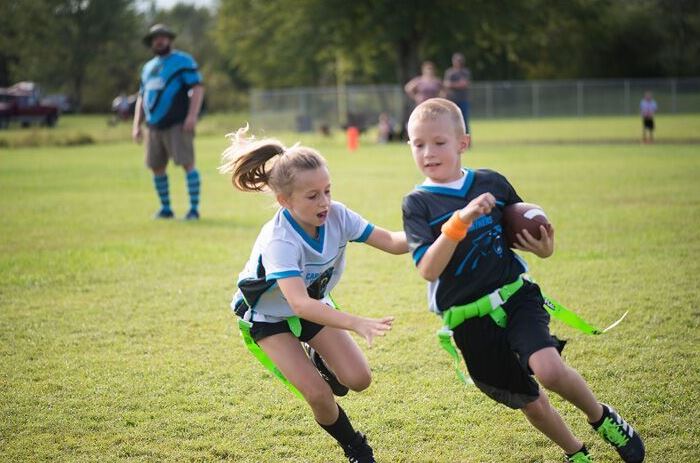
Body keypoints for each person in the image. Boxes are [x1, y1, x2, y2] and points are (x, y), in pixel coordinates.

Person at [401, 98, 645, 463]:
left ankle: (602, 417)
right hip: (468, 319)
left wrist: (544, 249)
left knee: (547, 369)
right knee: (531, 404)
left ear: (463, 143)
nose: (428, 152)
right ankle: (576, 453)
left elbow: (523, 231)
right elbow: (427, 269)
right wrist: (461, 220)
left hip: (515, 295)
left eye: (439, 142)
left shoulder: (491, 182)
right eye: (418, 144)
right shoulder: (417, 204)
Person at [219, 126, 408, 463]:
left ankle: (320, 356)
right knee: (319, 395)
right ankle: (354, 446)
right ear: (284, 201)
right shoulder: (280, 239)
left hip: (312, 306)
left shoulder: (338, 215)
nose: (324, 202)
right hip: (265, 317)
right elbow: (298, 303)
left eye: (327, 191)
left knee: (358, 380)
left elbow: (394, 243)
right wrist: (356, 322)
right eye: (312, 196)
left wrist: (445, 227)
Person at [132, 24, 205, 220]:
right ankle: (166, 209)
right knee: (156, 167)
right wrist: (136, 125)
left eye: (163, 37)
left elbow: (197, 88)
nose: (159, 40)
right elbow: (141, 96)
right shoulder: (147, 68)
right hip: (153, 127)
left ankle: (193, 209)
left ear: (170, 40)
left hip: (178, 124)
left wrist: (192, 116)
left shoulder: (183, 61)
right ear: (151, 42)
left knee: (187, 164)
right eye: (156, 38)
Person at [443, 52, 471, 134]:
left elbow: (465, 84)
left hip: (463, 100)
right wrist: (458, 84)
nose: (458, 62)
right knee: (451, 120)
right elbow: (446, 84)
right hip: (452, 100)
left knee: (464, 120)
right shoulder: (450, 72)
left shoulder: (465, 72)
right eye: (457, 60)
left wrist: (453, 84)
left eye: (460, 60)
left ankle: (466, 139)